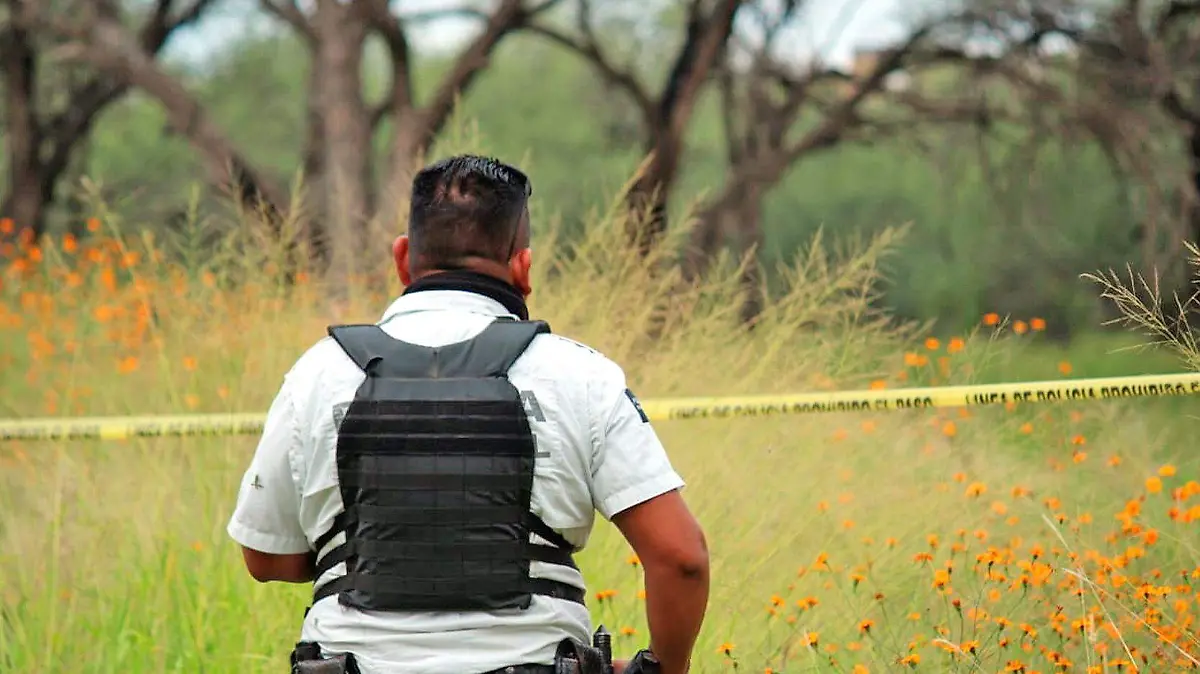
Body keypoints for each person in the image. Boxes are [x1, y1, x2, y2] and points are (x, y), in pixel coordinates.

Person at [226, 154, 710, 674]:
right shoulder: (581, 375)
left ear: (403, 258)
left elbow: (267, 558)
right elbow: (681, 558)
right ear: (523, 268)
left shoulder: (317, 375)